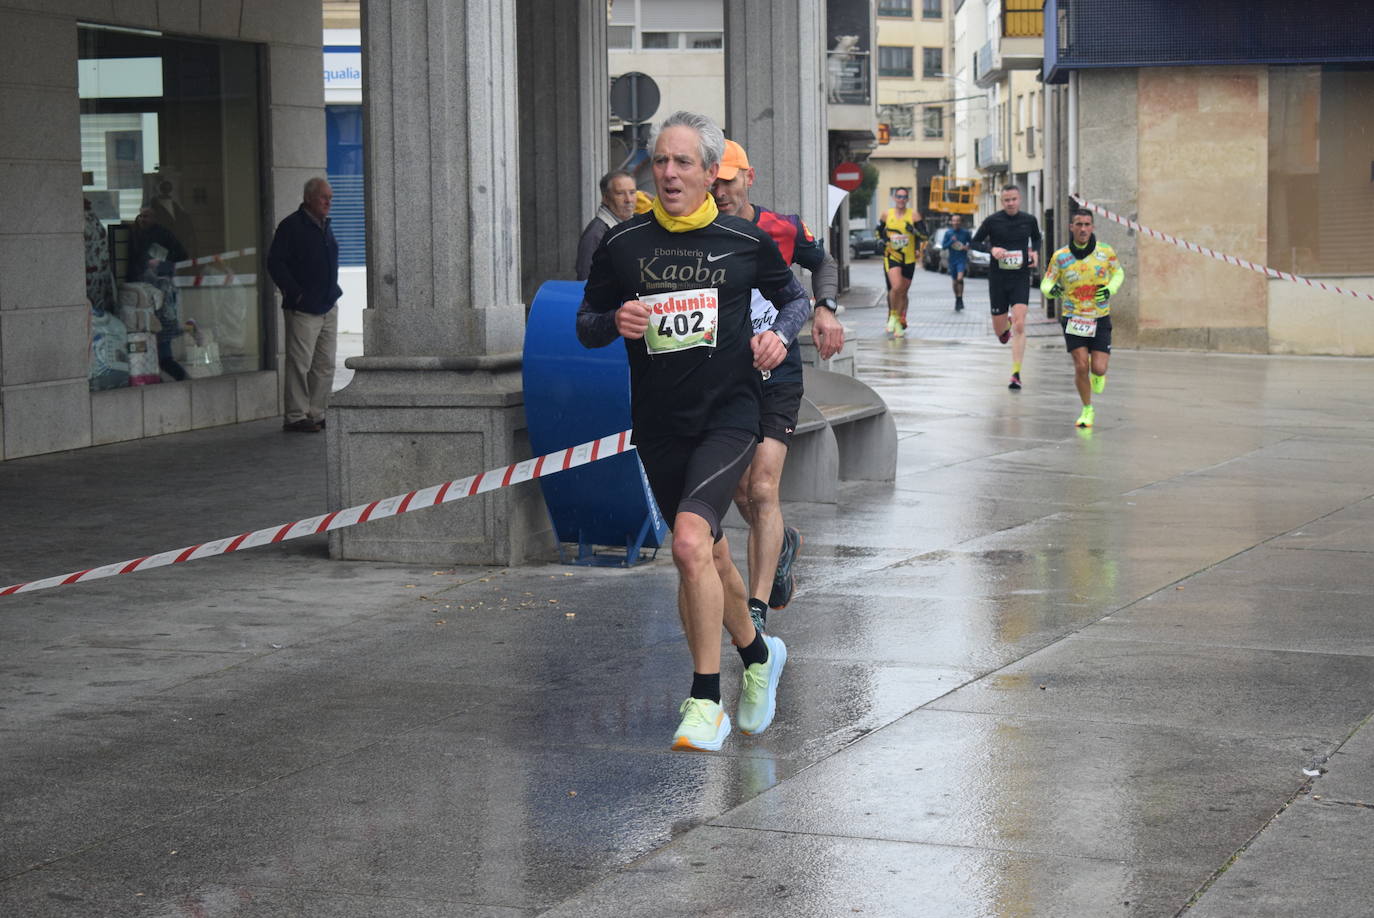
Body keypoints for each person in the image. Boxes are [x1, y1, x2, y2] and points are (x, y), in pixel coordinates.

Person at [578, 111, 808, 752]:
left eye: (684, 162)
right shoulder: (623, 245)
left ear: (712, 174)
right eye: (661, 161)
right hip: (658, 423)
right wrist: (613, 319)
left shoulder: (745, 241)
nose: (670, 173)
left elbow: (795, 300)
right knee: (707, 556)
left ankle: (705, 700)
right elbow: (587, 321)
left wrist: (777, 335)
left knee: (686, 544)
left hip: (729, 417)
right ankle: (759, 656)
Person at [710, 139, 845, 635]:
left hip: (778, 367)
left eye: (729, 179)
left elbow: (822, 262)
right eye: (714, 180)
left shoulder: (782, 227)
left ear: (750, 177)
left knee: (764, 485)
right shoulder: (700, 232)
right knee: (745, 492)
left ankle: (757, 610)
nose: (721, 189)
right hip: (727, 373)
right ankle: (782, 540)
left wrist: (825, 306)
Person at [267, 177, 342, 433]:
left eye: (330, 198)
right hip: (304, 308)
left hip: (328, 304)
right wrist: (296, 294)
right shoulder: (291, 226)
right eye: (324, 197)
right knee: (300, 363)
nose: (328, 202)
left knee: (325, 363)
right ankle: (296, 415)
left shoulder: (325, 226)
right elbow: (275, 263)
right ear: (309, 197)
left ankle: (317, 412)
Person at [1040, 208, 1124, 428]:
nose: (1083, 229)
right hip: (1073, 318)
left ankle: (1098, 374)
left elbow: (1119, 273)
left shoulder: (1106, 252)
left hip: (1099, 317)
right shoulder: (1061, 256)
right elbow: (1046, 282)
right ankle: (1087, 410)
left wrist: (1109, 289)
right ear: (1072, 227)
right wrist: (1052, 291)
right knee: (1080, 366)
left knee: (1098, 367)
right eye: (1079, 224)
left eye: (1087, 224)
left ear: (1093, 227)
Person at [971, 185, 1042, 389]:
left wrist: (1034, 252)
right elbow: (975, 243)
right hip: (998, 279)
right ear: (1001, 202)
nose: (1010, 203)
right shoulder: (992, 221)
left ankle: (1016, 373)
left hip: (1020, 276)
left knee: (1020, 325)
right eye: (1006, 200)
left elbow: (1036, 238)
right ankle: (1005, 326)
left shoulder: (1029, 220)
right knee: (1000, 333)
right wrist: (992, 249)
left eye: (1013, 199)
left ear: (1019, 200)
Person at [126, 206, 189, 380]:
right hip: (142, 296)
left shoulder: (164, 234)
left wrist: (161, 264)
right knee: (152, 354)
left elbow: (181, 255)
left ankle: (182, 379)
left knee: (162, 353)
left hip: (159, 296)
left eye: (146, 216)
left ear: (155, 218)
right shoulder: (135, 234)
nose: (142, 219)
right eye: (141, 215)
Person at [874, 187, 928, 338]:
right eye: (899, 196)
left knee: (903, 291)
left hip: (909, 258)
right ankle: (892, 316)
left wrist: (913, 231)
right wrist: (881, 241)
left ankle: (898, 320)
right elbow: (878, 232)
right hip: (892, 255)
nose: (901, 200)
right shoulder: (887, 214)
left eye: (904, 197)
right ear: (894, 198)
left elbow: (924, 236)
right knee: (896, 286)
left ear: (908, 199)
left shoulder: (914, 215)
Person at [575, 170, 638, 280]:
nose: (628, 200)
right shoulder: (596, 234)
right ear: (606, 198)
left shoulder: (635, 225)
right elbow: (585, 281)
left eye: (632, 192)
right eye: (620, 193)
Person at [941, 213, 972, 311]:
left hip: (961, 259)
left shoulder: (965, 232)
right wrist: (951, 241)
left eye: (958, 220)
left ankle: (960, 298)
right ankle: (957, 299)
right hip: (952, 260)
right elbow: (944, 246)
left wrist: (967, 247)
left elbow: (971, 243)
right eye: (954, 220)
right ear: (951, 222)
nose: (956, 222)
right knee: (954, 282)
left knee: (960, 278)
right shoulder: (948, 233)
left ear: (960, 222)